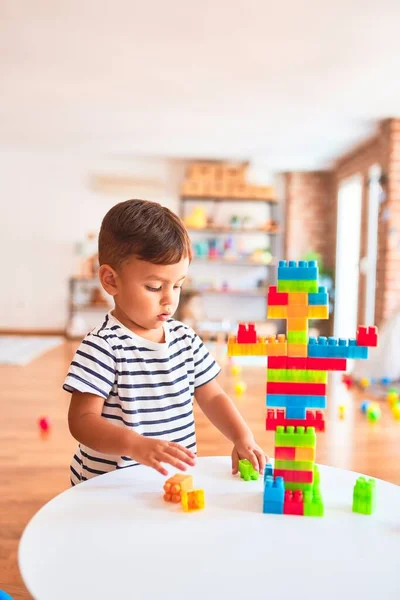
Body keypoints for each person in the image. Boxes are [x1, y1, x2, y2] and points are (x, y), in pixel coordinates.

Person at [64, 199, 267, 485]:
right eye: (155, 287)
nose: (169, 299)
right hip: (108, 485)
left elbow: (213, 395)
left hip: (169, 478)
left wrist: (242, 436)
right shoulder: (103, 346)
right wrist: (134, 445)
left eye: (178, 285)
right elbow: (82, 421)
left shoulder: (185, 339)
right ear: (111, 281)